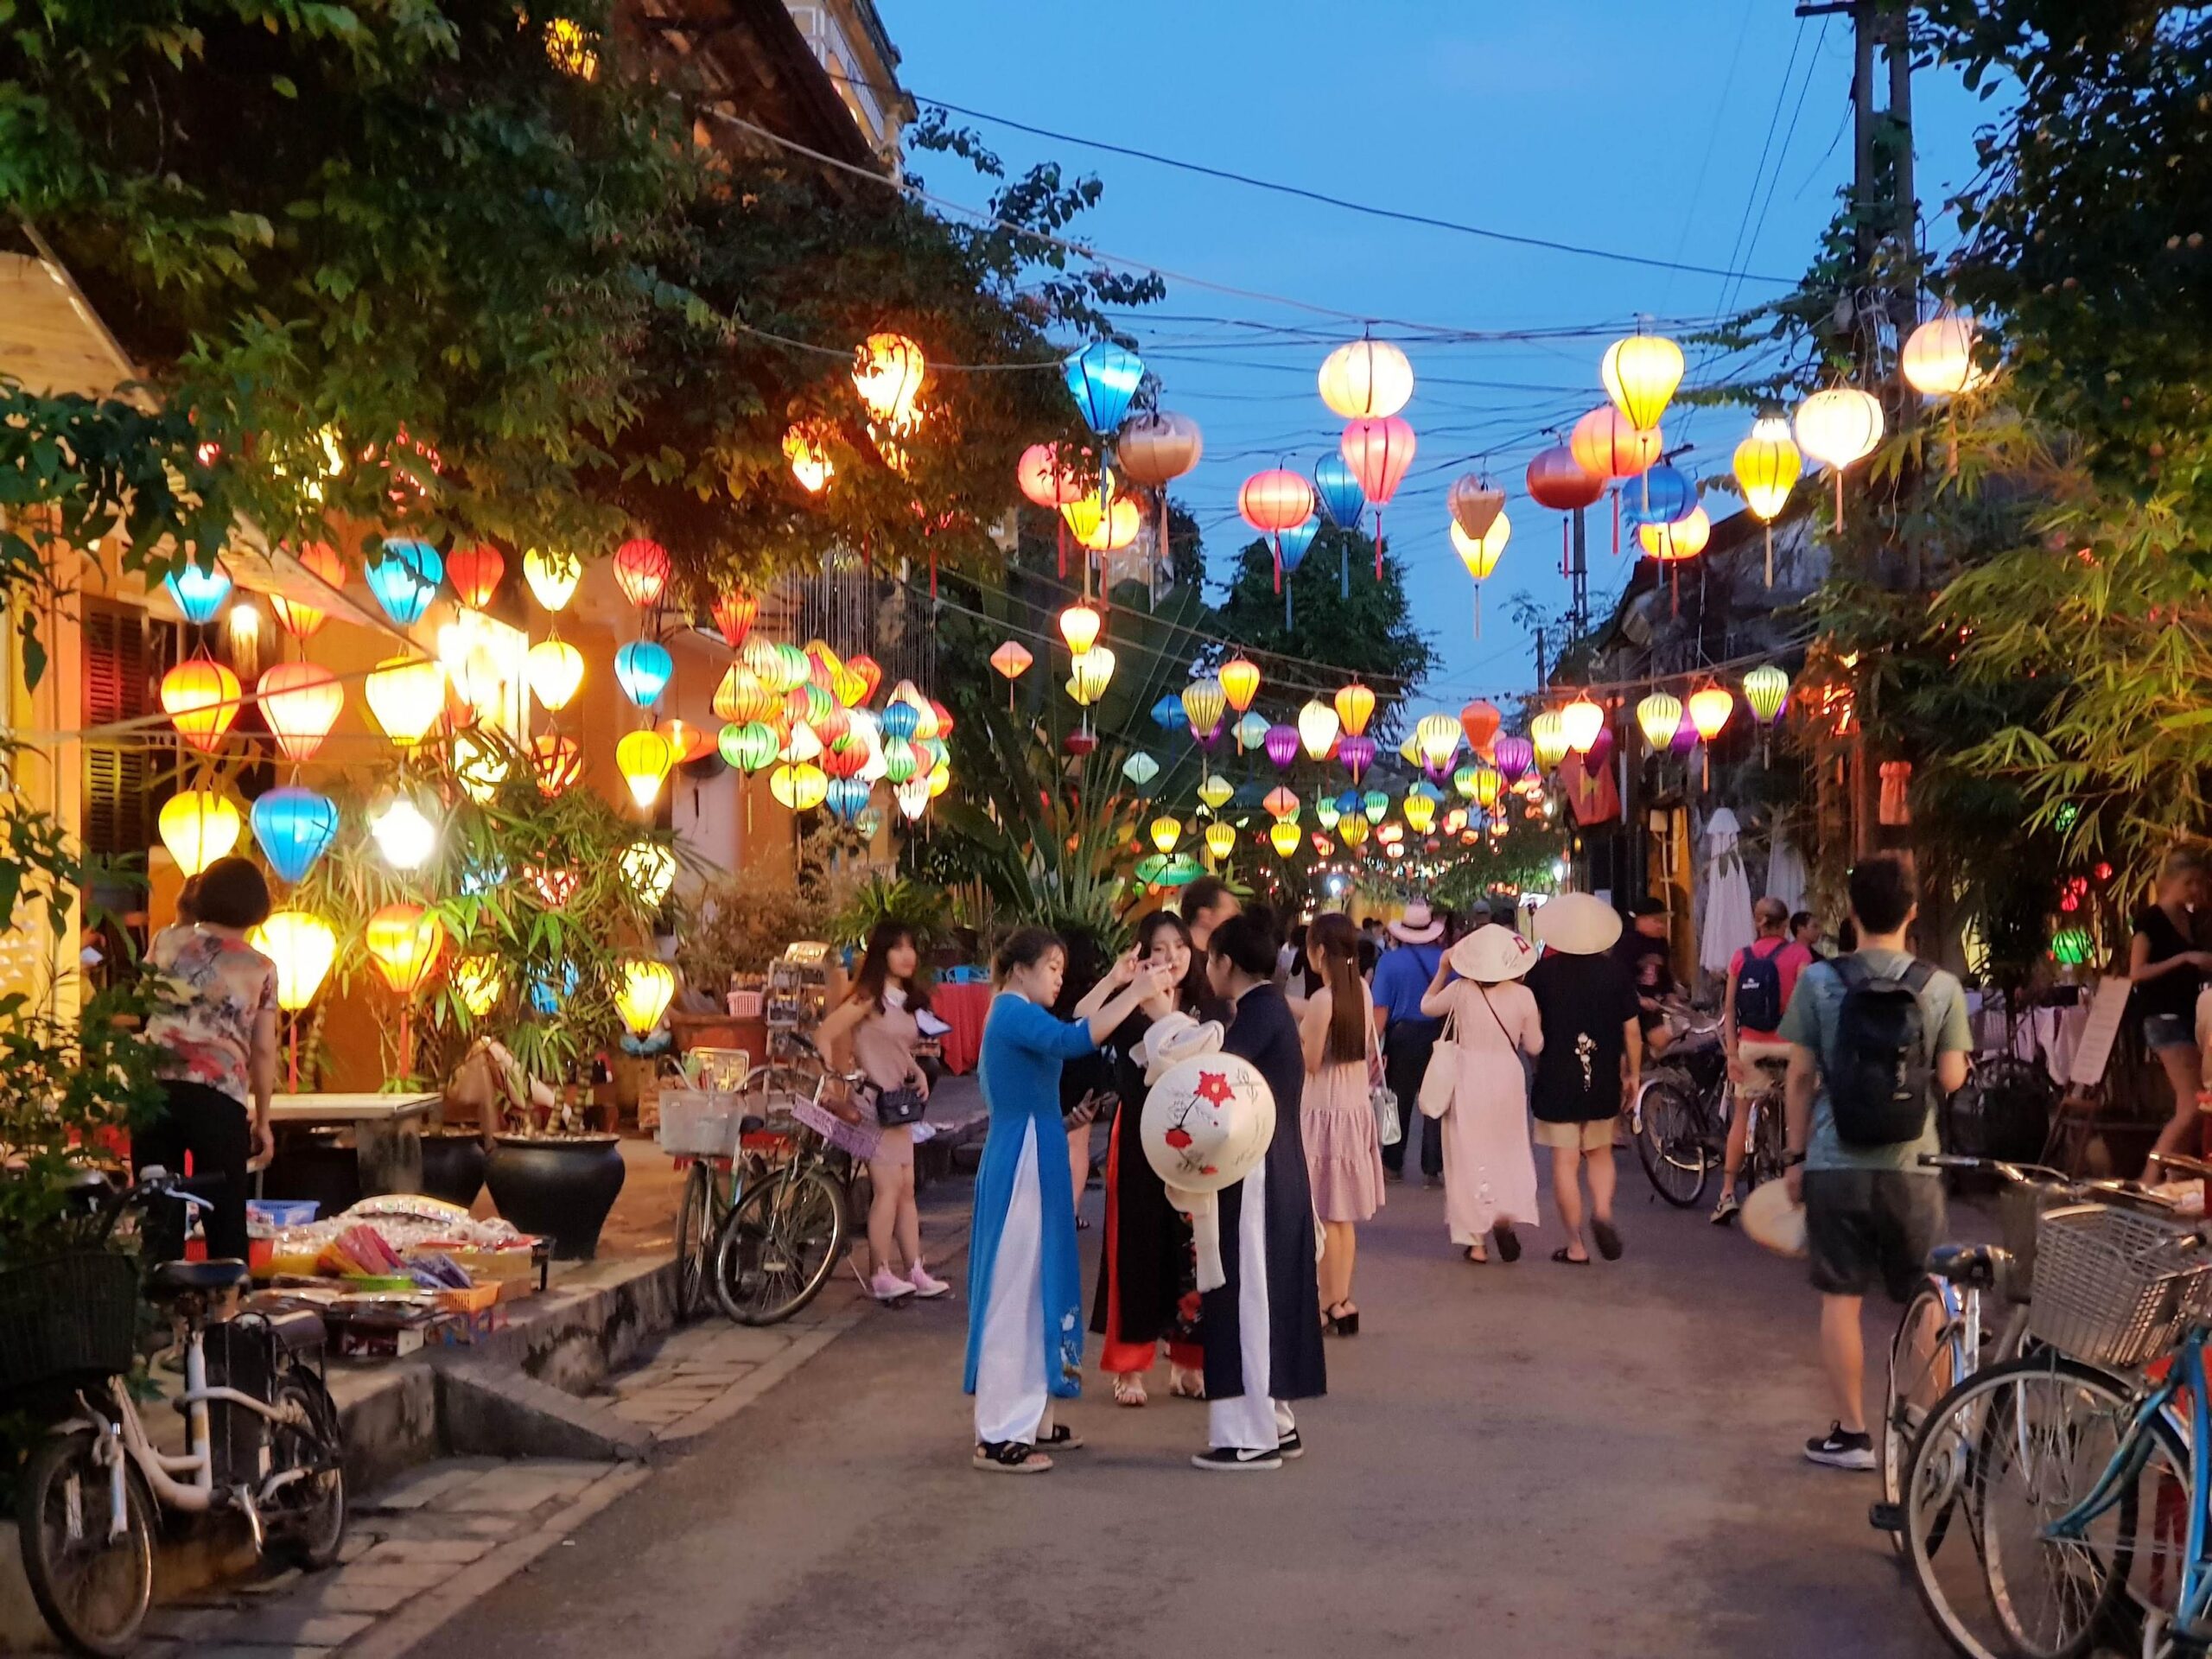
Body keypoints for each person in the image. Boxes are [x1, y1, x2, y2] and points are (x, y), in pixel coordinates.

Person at [1782, 855, 1971, 1470]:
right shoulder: (1940, 986)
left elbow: (1799, 1077)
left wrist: (1794, 1157)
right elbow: (1952, 1078)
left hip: (1833, 1161)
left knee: (1841, 1299)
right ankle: (1933, 1437)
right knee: (1928, 1296)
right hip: (1914, 1165)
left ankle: (1853, 1436)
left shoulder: (1818, 981)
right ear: (1913, 911)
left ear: (1852, 911)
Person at [965, 930, 1173, 1473]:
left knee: (1038, 1286)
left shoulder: (1016, 1010)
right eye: (1052, 968)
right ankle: (999, 1434)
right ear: (1019, 970)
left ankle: (1031, 1418)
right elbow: (1073, 1038)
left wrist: (1116, 982)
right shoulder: (1012, 1011)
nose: (1059, 978)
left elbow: (1073, 1024)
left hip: (1036, 1147)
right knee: (1016, 1291)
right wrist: (1134, 992)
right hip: (1023, 1157)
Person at [1198, 908, 1325, 1470]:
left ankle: (1250, 1437)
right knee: (1268, 1294)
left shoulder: (1256, 1015)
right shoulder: (1269, 1009)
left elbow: (1210, 1088)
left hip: (1257, 1173)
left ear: (1225, 962)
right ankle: (1276, 1422)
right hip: (1279, 1166)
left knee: (1247, 1298)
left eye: (1209, 959)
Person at [1090, 912, 1208, 1407]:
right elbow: (1082, 1023)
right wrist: (1117, 982)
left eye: (1179, 946)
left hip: (1194, 1141)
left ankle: (1188, 1363)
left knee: (1193, 1249)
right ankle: (1129, 1368)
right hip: (1139, 1136)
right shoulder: (1130, 1004)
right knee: (1134, 1247)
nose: (1172, 956)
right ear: (1143, 954)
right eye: (1159, 948)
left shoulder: (1205, 1002)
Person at [137, 856, 279, 1265]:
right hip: (218, 1097)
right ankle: (227, 1303)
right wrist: (263, 1120)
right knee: (224, 1216)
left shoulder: (165, 943)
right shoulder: (261, 968)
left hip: (153, 1090)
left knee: (159, 1212)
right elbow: (264, 1050)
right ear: (257, 908)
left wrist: (184, 917)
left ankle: (159, 1301)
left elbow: (145, 1001)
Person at [817, 923, 950, 1304]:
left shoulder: (902, 1001)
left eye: (911, 947)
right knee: (888, 1190)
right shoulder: (866, 999)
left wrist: (916, 1070)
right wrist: (833, 1079)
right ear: (881, 954)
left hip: (898, 1107)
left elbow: (894, 1046)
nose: (907, 956)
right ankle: (880, 1272)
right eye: (897, 948)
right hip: (871, 1106)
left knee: (906, 1189)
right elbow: (825, 1033)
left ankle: (915, 1270)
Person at [1525, 893, 1639, 1265]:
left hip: (1556, 1075)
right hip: (1603, 1074)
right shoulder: (1616, 973)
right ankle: (1602, 1211)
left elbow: (1532, 1032)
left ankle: (1575, 1246)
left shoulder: (1541, 975)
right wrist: (1633, 1074)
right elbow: (1632, 1031)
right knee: (1601, 1152)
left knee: (1565, 1161)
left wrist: (1536, 1061)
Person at [1421, 924, 1542, 1263]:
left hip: (1468, 1074)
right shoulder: (1524, 996)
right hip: (1508, 1076)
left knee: (1467, 1153)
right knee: (1507, 1148)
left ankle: (1476, 1242)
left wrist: (1443, 969)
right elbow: (1534, 1045)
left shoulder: (1461, 990)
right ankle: (1503, 1211)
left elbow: (1427, 1006)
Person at [1299, 915, 1386, 1333]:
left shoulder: (1323, 1000)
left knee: (1322, 1216)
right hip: (1354, 1109)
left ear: (1318, 952)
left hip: (1323, 1110)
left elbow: (1311, 1062)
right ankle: (1343, 1301)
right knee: (1343, 1218)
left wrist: (1294, 1037)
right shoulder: (1360, 992)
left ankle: (1322, 1304)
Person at [1713, 896, 1817, 1225]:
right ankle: (1804, 1185)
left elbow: (1730, 1009)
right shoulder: (1800, 955)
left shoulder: (1740, 958)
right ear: (1786, 925)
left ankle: (1726, 1193)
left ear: (1756, 922)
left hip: (1751, 1048)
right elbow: (1808, 1005)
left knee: (1742, 1114)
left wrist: (1732, 1054)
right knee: (1806, 1109)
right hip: (1790, 1048)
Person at [2131, 848, 2212, 1160]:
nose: (2194, 890)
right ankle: (2151, 1175)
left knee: (2190, 1106)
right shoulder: (2150, 919)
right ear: (2170, 880)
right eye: (2188, 882)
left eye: (2198, 883)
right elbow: (2137, 972)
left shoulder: (2190, 920)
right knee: (2193, 1104)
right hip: (2163, 1018)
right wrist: (2183, 959)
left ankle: (2175, 1172)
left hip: (2187, 1016)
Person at [1372, 900, 1448, 1184]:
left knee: (1397, 1102)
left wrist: (1373, 1047)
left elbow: (1381, 1009)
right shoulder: (1445, 961)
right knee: (1435, 1102)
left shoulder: (1389, 963)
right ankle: (1433, 1167)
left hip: (1402, 1037)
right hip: (1439, 1035)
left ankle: (1392, 1163)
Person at [1055, 935, 1116, 1231]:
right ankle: (1071, 1210)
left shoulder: (1050, 994)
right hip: (1085, 1065)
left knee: (1061, 1137)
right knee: (1078, 1141)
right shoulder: (1094, 992)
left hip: (1058, 1065)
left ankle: (1058, 1210)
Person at [1612, 897, 1677, 1060]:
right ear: (1641, 920)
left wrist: (1670, 994)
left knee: (1665, 1037)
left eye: (1663, 921)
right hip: (1629, 1007)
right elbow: (1620, 978)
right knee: (1628, 1049)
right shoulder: (1626, 944)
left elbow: (1664, 974)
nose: (1661, 926)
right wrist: (1638, 999)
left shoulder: (1662, 944)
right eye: (1657, 921)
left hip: (1653, 1005)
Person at [1180, 876, 1241, 957]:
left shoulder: (1223, 957)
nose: (1239, 922)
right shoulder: (1176, 959)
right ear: (1205, 915)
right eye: (1232, 915)